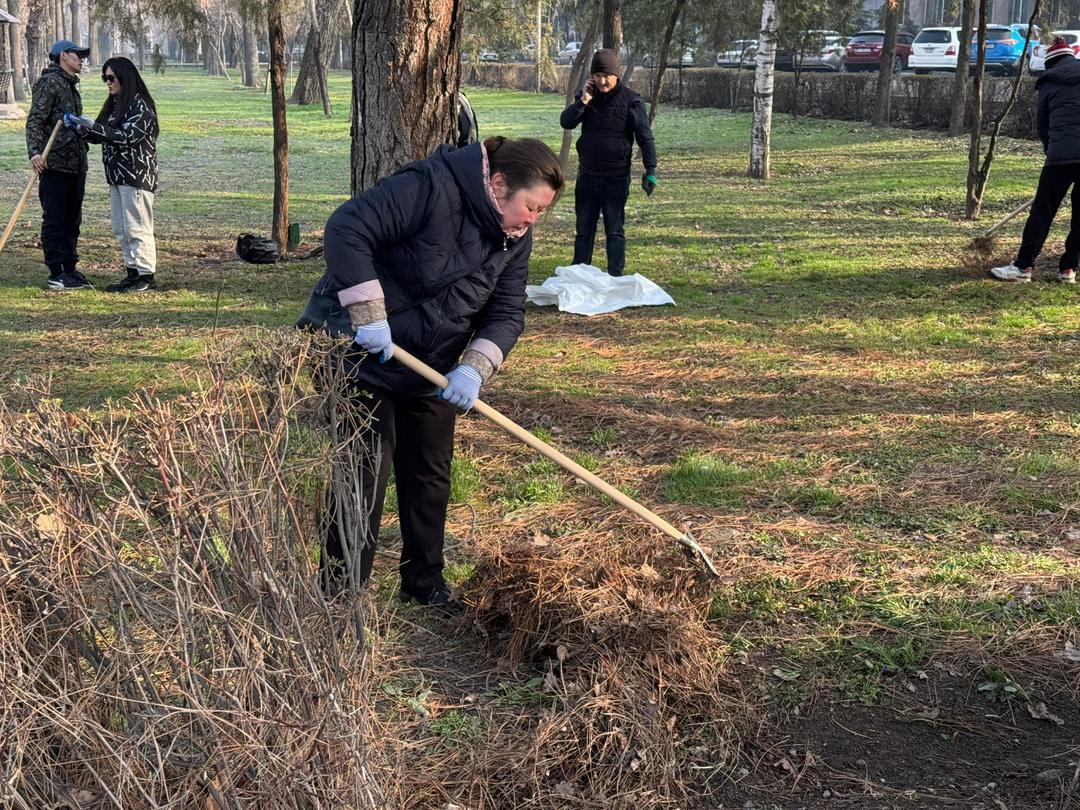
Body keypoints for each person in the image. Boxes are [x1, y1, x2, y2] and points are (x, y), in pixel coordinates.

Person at [314, 135, 564, 614]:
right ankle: (341, 590)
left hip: (431, 365)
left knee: (430, 473)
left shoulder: (513, 239)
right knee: (363, 469)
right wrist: (368, 314)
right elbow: (348, 227)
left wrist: (474, 367)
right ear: (498, 183)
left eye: (540, 212)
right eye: (531, 206)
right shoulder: (431, 186)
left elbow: (508, 311)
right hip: (367, 353)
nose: (533, 220)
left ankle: (424, 584)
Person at [65, 57, 160, 293]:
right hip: (116, 175)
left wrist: (94, 127)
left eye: (111, 78)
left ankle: (146, 274)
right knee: (122, 227)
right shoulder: (116, 104)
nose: (108, 82)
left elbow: (126, 137)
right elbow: (101, 135)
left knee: (137, 226)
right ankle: (132, 271)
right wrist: (80, 127)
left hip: (136, 176)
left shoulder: (141, 107)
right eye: (105, 78)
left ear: (125, 78)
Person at [560, 48, 657, 277]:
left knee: (614, 230)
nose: (602, 81)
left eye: (607, 76)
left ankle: (616, 276)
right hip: (587, 177)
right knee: (584, 231)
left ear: (617, 75)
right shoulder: (586, 97)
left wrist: (650, 169)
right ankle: (579, 276)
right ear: (591, 76)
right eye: (597, 75)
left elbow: (645, 137)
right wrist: (582, 102)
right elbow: (566, 122)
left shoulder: (631, 101)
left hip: (616, 178)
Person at [991, 37, 1080, 284]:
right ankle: (1069, 269)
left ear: (1050, 62)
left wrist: (1050, 151)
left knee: (1042, 212)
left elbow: (1042, 125)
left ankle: (1023, 267)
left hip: (1060, 157)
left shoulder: (1049, 82)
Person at [26, 39, 92, 291]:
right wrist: (34, 153)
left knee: (72, 219)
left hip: (76, 163)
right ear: (63, 56)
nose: (82, 59)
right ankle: (56, 272)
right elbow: (35, 120)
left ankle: (70, 269)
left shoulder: (70, 85)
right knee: (55, 218)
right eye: (78, 55)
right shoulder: (49, 83)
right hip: (54, 163)